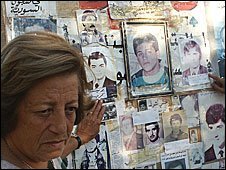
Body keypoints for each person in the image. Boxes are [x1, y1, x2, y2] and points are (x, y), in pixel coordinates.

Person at [1, 31, 105, 169]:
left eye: (70, 109)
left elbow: (54, 156)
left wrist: (80, 138)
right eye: (44, 111)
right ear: (7, 109)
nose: (61, 128)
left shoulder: (32, 152)